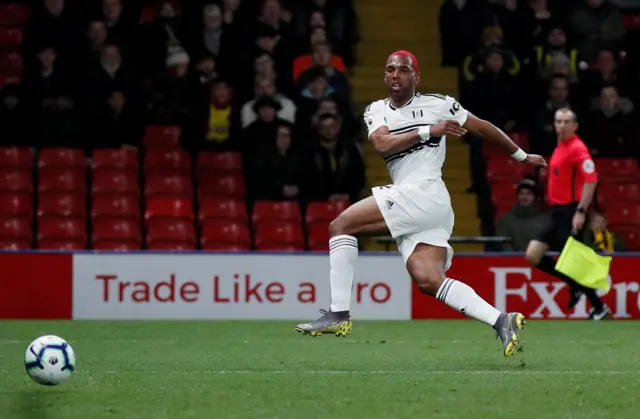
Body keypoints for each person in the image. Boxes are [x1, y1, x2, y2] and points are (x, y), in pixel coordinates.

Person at [295, 51, 547, 358]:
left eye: (404, 70)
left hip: (424, 193)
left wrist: (522, 156)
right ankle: (501, 320)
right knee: (427, 279)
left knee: (340, 226)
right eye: (390, 70)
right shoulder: (376, 110)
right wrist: (430, 130)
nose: (396, 75)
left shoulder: (440, 104)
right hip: (423, 203)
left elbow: (482, 127)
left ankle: (337, 314)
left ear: (417, 77)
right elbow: (381, 144)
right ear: (385, 77)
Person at [524, 108, 610, 320]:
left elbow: (591, 179)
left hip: (570, 211)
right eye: (558, 121)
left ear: (575, 126)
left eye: (566, 122)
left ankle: (599, 306)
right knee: (533, 255)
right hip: (557, 213)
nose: (561, 126)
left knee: (572, 263)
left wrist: (581, 211)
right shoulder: (561, 147)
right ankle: (576, 287)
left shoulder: (577, 148)